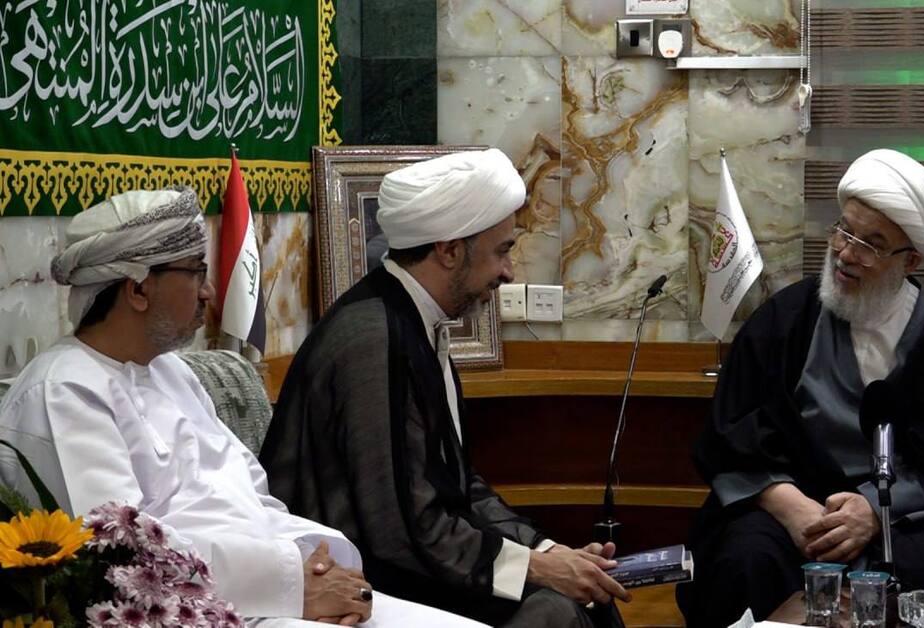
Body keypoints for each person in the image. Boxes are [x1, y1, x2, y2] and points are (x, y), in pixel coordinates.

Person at [0, 187, 486, 627]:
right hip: (200, 611)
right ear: (138, 289)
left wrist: (315, 566)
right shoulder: (63, 391)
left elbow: (251, 495)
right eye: (195, 272)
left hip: (280, 583)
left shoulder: (172, 371)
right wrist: (291, 587)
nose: (208, 292)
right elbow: (121, 556)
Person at [260, 148, 630, 628]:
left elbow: (455, 484)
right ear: (450, 250)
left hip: (420, 560)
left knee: (587, 595)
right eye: (501, 251)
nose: (509, 272)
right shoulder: (372, 339)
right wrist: (536, 569)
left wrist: (548, 551)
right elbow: (396, 529)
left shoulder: (410, 319)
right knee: (557, 611)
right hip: (361, 581)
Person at [676, 150, 924, 626]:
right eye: (844, 231)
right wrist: (792, 508)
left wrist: (873, 510)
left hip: (900, 519)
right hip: (791, 505)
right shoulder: (785, 321)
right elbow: (731, 436)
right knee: (744, 558)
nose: (845, 253)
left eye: (871, 244)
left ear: (910, 260)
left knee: (921, 569)